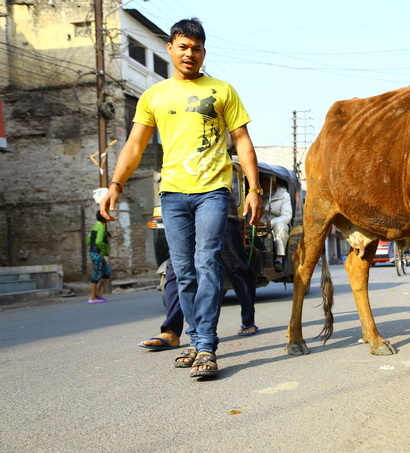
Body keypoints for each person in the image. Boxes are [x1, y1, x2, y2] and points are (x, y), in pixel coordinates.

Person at [100, 18, 263, 379]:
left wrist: (253, 189)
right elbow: (135, 145)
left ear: (205, 52)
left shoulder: (222, 90)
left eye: (197, 48)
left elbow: (242, 141)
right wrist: (115, 184)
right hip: (173, 195)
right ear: (170, 49)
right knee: (183, 271)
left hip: (213, 192)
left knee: (206, 264)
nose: (191, 54)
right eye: (184, 47)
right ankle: (195, 340)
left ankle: (205, 346)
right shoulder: (153, 96)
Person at [138, 194, 259, 356]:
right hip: (180, 206)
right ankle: (172, 331)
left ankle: (247, 318)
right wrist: (116, 185)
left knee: (234, 266)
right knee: (176, 268)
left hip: (216, 204)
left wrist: (254, 189)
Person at [260, 176, 292, 272]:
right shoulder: (259, 195)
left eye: (266, 183)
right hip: (259, 224)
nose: (263, 186)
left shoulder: (284, 195)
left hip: (276, 224)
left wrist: (269, 223)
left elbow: (287, 216)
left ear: (272, 184)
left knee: (281, 227)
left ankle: (279, 258)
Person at [86, 211, 111, 304]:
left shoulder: (94, 227)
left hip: (94, 253)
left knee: (106, 272)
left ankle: (98, 292)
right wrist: (104, 251)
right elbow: (99, 241)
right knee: (96, 274)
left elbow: (88, 239)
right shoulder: (101, 227)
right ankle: (92, 297)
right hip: (98, 253)